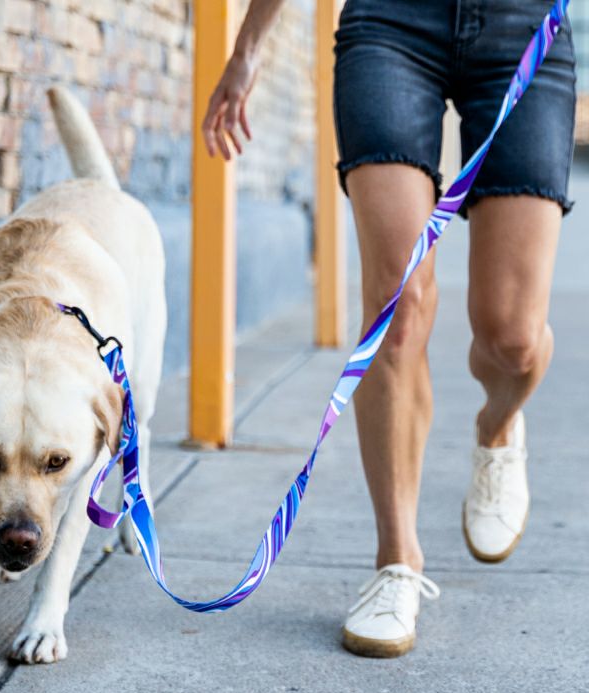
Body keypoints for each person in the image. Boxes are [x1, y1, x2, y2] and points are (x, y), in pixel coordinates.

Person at [202, 0, 576, 657]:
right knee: (396, 306)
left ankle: (498, 428)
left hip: (525, 26)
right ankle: (396, 561)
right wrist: (247, 50)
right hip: (391, 26)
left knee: (513, 339)